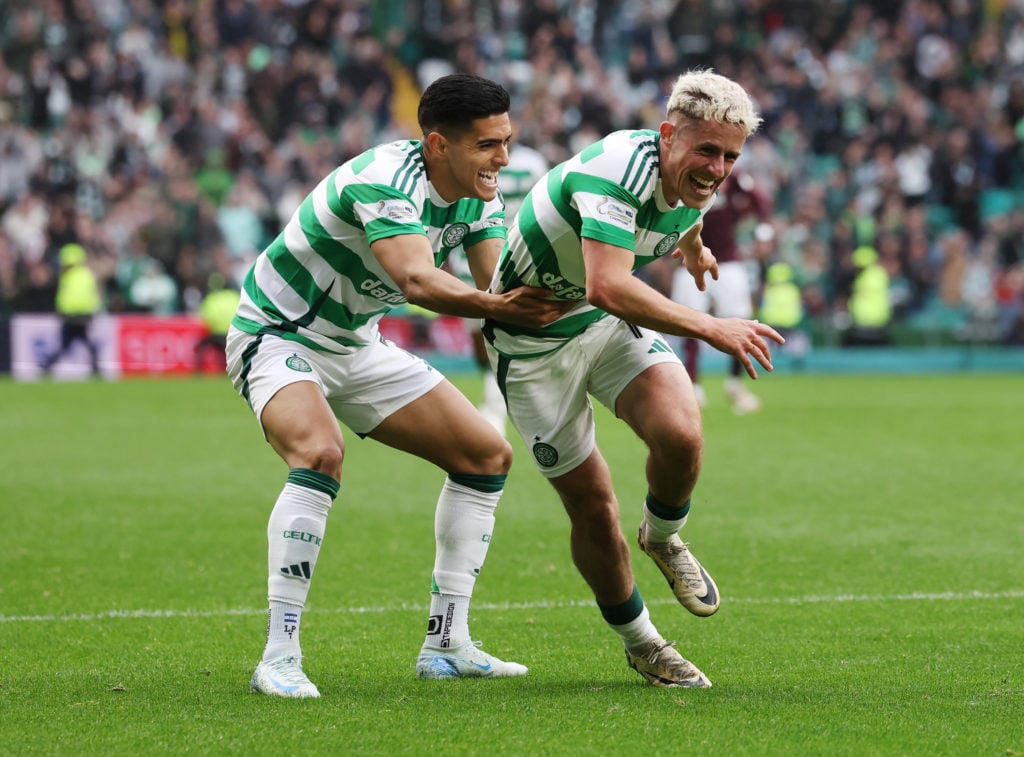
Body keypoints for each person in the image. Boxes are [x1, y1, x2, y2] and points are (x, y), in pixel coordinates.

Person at [225, 74, 567, 699]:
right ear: (438, 145)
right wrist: (511, 309)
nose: (504, 159)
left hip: (357, 345)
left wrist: (571, 298)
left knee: (485, 456)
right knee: (320, 454)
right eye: (488, 145)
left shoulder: (480, 195)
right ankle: (279, 656)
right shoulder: (384, 180)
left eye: (507, 140)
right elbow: (417, 281)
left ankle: (446, 645)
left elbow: (494, 292)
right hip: (279, 335)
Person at [484, 69, 784, 688]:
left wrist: (695, 247)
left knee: (682, 434)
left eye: (730, 155)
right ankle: (642, 642)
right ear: (668, 134)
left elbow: (687, 207)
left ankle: (665, 538)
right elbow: (609, 285)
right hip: (534, 342)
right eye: (706, 150)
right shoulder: (617, 171)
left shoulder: (695, 178)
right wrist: (712, 326)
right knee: (593, 509)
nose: (718, 167)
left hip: (595, 321)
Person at [668, 171, 772, 413]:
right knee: (688, 325)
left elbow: (761, 202)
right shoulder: (684, 174)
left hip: (727, 262)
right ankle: (693, 388)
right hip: (689, 259)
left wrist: (763, 233)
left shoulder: (736, 179)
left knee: (742, 322)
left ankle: (735, 385)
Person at [40, 243, 102, 377]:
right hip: (78, 315)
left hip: (75, 315)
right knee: (77, 342)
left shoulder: (73, 276)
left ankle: (48, 365)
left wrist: (62, 310)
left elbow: (71, 297)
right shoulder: (82, 274)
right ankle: (96, 366)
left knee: (70, 343)